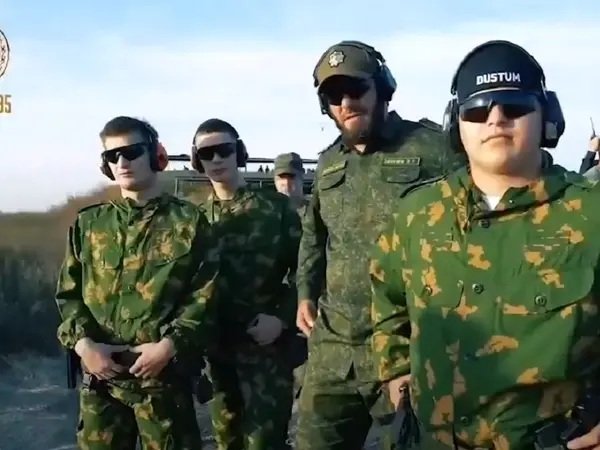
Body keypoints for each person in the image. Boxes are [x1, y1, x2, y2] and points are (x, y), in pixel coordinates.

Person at [370, 40, 600, 449]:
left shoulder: (590, 214)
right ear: (455, 125)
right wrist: (397, 370)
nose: (495, 119)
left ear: (547, 117)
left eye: (514, 107)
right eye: (477, 111)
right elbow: (388, 297)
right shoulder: (417, 215)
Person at [294, 40, 463, 450]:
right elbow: (315, 236)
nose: (346, 103)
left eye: (356, 89)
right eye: (334, 96)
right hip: (333, 350)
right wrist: (305, 293)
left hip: (408, 348)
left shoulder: (435, 148)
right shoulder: (328, 162)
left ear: (382, 89)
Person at [54, 116, 220, 449]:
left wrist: (169, 346)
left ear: (156, 155)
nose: (122, 162)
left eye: (131, 152)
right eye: (112, 156)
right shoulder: (89, 224)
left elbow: (206, 294)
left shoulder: (188, 222)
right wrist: (84, 347)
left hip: (163, 381)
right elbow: (69, 295)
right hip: (102, 383)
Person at [190, 118, 302, 450]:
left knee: (265, 442)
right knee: (228, 441)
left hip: (266, 350)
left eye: (224, 150)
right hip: (217, 352)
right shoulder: (193, 219)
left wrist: (281, 318)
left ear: (239, 153)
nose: (216, 159)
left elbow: (308, 272)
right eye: (207, 153)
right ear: (197, 161)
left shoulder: (275, 209)